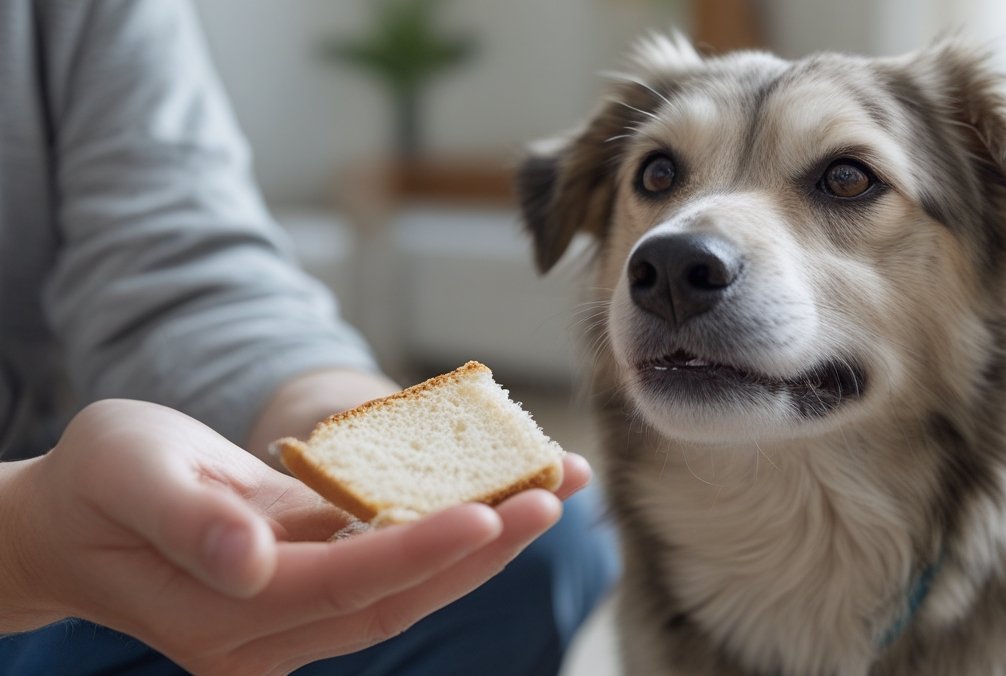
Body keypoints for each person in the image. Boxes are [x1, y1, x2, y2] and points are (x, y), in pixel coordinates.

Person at [0, 1, 616, 674]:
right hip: (35, 560)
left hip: (74, 550)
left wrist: (335, 408)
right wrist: (24, 542)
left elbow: (175, 261)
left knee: (539, 553)